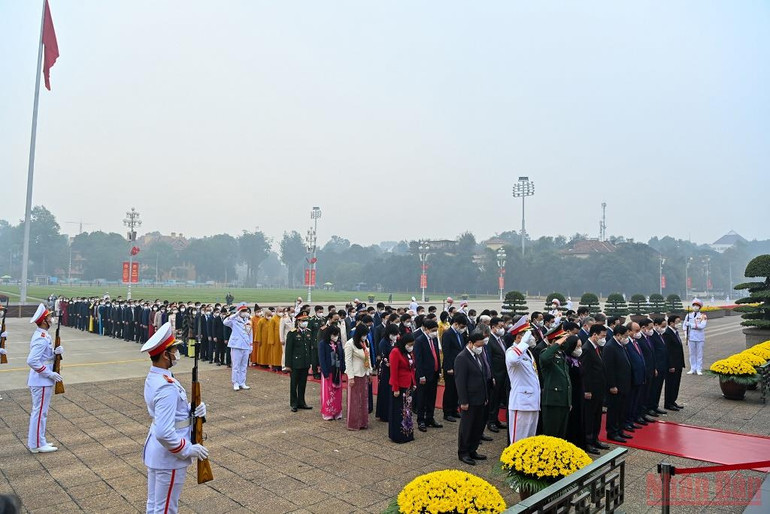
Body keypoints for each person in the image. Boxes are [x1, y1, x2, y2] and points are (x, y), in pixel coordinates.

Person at [141, 322, 208, 514]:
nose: (177, 353)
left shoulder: (158, 377)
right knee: (166, 509)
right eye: (174, 349)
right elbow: (164, 431)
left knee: (154, 506)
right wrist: (187, 449)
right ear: (165, 355)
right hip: (169, 456)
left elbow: (169, 412)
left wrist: (191, 410)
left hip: (159, 453)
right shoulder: (166, 386)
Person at [26, 304, 63, 453]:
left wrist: (56, 353)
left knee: (41, 412)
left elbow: (45, 357)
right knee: (40, 412)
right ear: (43, 321)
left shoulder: (44, 335)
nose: (51, 318)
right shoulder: (41, 338)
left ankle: (39, 440)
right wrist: (49, 374)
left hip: (42, 380)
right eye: (49, 317)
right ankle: (36, 445)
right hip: (41, 380)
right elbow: (32, 360)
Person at [455, 332, 489, 466]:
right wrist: (463, 401)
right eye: (478, 345)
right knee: (467, 427)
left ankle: (473, 450)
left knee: (478, 426)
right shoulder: (462, 358)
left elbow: (483, 377)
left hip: (480, 398)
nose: (480, 348)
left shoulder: (478, 355)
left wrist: (486, 396)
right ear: (470, 343)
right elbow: (460, 381)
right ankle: (463, 452)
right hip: (469, 399)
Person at [505, 318, 539, 443]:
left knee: (530, 439)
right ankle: (514, 463)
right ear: (519, 337)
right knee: (518, 440)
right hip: (521, 403)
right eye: (529, 336)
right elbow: (513, 360)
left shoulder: (527, 352)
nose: (533, 339)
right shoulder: (511, 351)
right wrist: (523, 343)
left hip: (533, 402)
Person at [580, 324, 609, 454]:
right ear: (594, 335)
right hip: (591, 390)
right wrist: (587, 390)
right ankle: (588, 441)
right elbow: (585, 372)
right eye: (602, 336)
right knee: (590, 416)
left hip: (599, 389)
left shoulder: (597, 348)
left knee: (597, 415)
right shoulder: (586, 349)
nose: (604, 339)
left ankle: (595, 438)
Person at [539, 327, 571, 439]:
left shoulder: (560, 354)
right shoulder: (546, 354)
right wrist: (556, 344)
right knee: (551, 435)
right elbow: (544, 358)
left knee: (561, 435)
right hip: (553, 401)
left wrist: (568, 401)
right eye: (563, 340)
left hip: (563, 401)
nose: (564, 342)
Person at [603, 325, 633, 443]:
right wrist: (612, 385)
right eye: (625, 336)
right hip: (616, 386)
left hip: (624, 384)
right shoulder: (610, 347)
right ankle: (612, 432)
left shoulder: (621, 345)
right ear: (618, 335)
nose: (626, 338)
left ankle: (620, 429)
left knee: (622, 409)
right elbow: (609, 369)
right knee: (614, 410)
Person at [414, 319, 443, 432]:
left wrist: (439, 371)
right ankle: (421, 420)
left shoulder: (434, 339)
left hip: (434, 373)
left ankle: (430, 418)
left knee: (432, 397)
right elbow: (418, 360)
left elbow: (436, 355)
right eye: (433, 330)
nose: (435, 332)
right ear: (426, 330)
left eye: (436, 330)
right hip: (424, 375)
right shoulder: (419, 340)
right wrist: (421, 375)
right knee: (422, 398)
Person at [389, 333, 417, 443]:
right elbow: (394, 372)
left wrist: (413, 382)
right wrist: (395, 388)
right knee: (399, 411)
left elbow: (412, 368)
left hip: (408, 384)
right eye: (410, 344)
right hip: (399, 385)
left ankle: (408, 433)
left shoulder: (409, 353)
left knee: (407, 411)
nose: (411, 346)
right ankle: (398, 435)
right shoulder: (395, 352)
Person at [344, 325, 372, 430]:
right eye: (364, 334)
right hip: (355, 374)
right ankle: (353, 423)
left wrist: (369, 372)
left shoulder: (365, 342)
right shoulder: (350, 344)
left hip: (364, 373)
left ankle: (363, 422)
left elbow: (367, 358)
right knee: (354, 400)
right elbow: (348, 361)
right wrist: (350, 377)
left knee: (364, 399)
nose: (365, 336)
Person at [440, 314, 467, 423]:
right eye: (461, 326)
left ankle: (455, 409)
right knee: (449, 390)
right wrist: (449, 367)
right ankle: (447, 412)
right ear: (455, 324)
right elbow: (446, 352)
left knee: (457, 389)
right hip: (450, 367)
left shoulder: (460, 334)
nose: (462, 329)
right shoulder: (448, 334)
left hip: (459, 366)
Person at [561, 335, 586, 450]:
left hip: (579, 392)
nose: (579, 349)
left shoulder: (577, 359)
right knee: (572, 420)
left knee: (579, 418)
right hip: (572, 394)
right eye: (578, 346)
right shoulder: (566, 360)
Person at [285, 314, 314, 412]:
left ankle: (301, 402)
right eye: (303, 321)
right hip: (295, 363)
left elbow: (309, 349)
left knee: (303, 383)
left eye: (306, 320)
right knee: (294, 384)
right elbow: (288, 350)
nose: (305, 322)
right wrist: (288, 365)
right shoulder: (292, 333)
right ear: (298, 322)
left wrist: (310, 362)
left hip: (305, 363)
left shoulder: (308, 332)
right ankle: (294, 403)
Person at [487, 317, 510, 434]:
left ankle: (496, 420)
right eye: (500, 327)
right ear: (493, 328)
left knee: (498, 398)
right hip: (495, 374)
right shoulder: (489, 341)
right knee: (493, 399)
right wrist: (492, 376)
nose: (502, 329)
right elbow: (488, 360)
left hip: (503, 373)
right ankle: (490, 421)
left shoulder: (501, 339)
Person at [223, 303, 253, 391]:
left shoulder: (248, 321)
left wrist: (251, 345)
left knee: (244, 366)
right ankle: (235, 382)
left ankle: (242, 382)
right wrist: (235, 314)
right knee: (236, 366)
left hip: (245, 345)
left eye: (245, 310)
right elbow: (225, 322)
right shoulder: (234, 320)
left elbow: (251, 334)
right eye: (242, 311)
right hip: (236, 345)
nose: (244, 312)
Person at [318, 325, 345, 420]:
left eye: (337, 335)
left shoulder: (338, 343)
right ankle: (328, 412)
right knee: (328, 392)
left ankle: (337, 411)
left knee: (338, 392)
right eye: (334, 335)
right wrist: (325, 372)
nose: (336, 337)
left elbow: (342, 356)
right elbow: (322, 359)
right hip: (328, 371)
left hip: (337, 371)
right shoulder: (323, 343)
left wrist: (343, 368)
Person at [376, 324, 399, 422]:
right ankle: (384, 414)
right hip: (385, 370)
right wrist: (389, 363)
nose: (394, 336)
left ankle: (391, 412)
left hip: (393, 369)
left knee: (391, 390)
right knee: (385, 391)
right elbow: (383, 356)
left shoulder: (394, 341)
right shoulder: (383, 342)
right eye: (393, 334)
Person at [663, 315, 685, 411]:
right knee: (671, 384)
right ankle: (668, 403)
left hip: (678, 363)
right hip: (672, 365)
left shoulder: (675, 332)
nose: (679, 323)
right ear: (671, 323)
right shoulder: (667, 333)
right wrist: (670, 365)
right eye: (677, 322)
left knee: (676, 383)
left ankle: (673, 401)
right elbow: (668, 351)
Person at [684, 299, 707, 375]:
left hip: (700, 337)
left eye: (697, 305)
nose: (695, 307)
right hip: (691, 337)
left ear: (700, 307)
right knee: (692, 353)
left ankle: (699, 369)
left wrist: (691, 325)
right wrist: (686, 334)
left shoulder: (703, 316)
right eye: (694, 305)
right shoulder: (688, 315)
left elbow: (702, 326)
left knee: (699, 354)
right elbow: (685, 325)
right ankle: (692, 368)